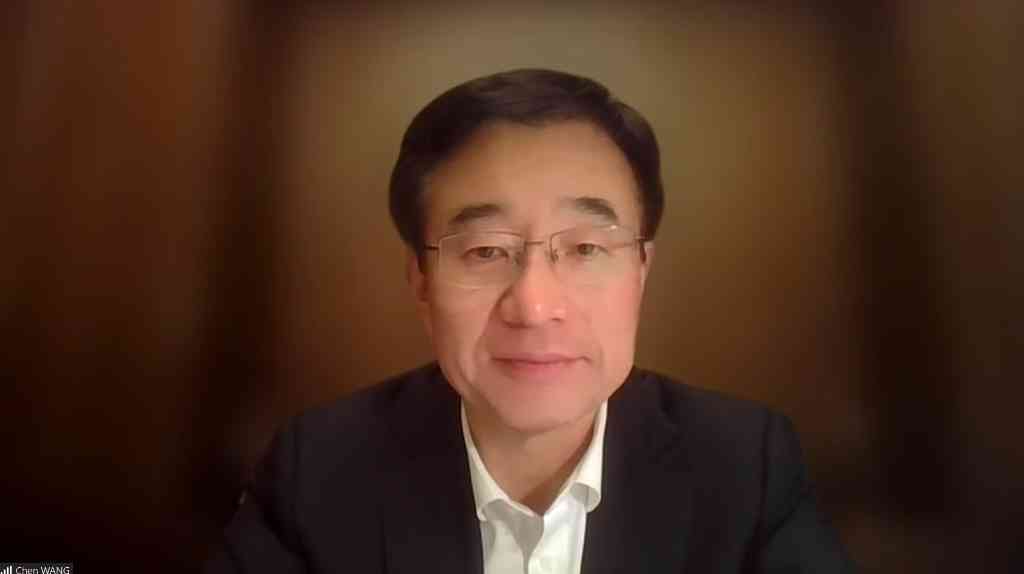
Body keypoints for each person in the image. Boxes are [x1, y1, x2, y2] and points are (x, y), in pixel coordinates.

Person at [204, 68, 855, 573]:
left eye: (587, 248)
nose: (536, 305)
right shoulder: (318, 471)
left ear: (641, 271)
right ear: (421, 280)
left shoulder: (744, 467)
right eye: (487, 251)